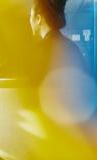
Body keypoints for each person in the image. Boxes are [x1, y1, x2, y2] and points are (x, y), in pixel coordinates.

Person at [29, 0, 97, 136]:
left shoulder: (38, 53)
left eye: (30, 16)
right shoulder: (72, 47)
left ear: (38, 18)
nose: (29, 21)